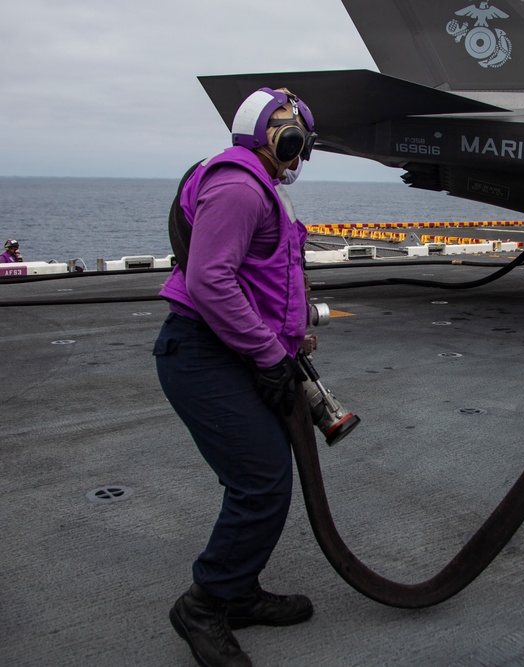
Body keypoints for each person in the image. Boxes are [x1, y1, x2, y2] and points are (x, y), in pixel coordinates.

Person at [154, 87, 319, 666]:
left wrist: (291, 332)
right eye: (292, 135)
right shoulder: (239, 186)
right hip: (202, 353)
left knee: (264, 478)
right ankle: (202, 605)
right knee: (262, 482)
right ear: (275, 138)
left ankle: (239, 591)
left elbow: (262, 275)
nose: (298, 151)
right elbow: (210, 281)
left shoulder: (256, 184)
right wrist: (270, 355)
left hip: (232, 349)